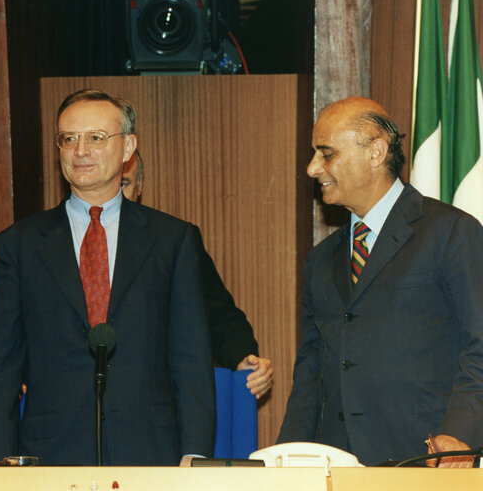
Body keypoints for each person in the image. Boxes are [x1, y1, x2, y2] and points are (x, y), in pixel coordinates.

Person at [0, 89, 221, 465]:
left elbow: (191, 359)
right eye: (68, 139)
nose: (80, 151)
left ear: (128, 148)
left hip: (151, 452)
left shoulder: (173, 240)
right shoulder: (17, 246)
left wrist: (196, 452)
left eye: (96, 138)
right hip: (50, 455)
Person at [277, 96, 483, 467]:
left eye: (326, 154)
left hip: (426, 462)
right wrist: (289, 456)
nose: (312, 168)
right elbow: (310, 375)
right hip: (336, 468)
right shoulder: (320, 261)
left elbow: (480, 346)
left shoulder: (451, 233)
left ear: (375, 152)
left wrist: (461, 434)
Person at [120, 152, 274, 397]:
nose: (114, 193)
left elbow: (219, 316)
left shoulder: (171, 242)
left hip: (152, 401)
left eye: (123, 184)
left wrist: (243, 359)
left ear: (140, 186)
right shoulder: (48, 241)